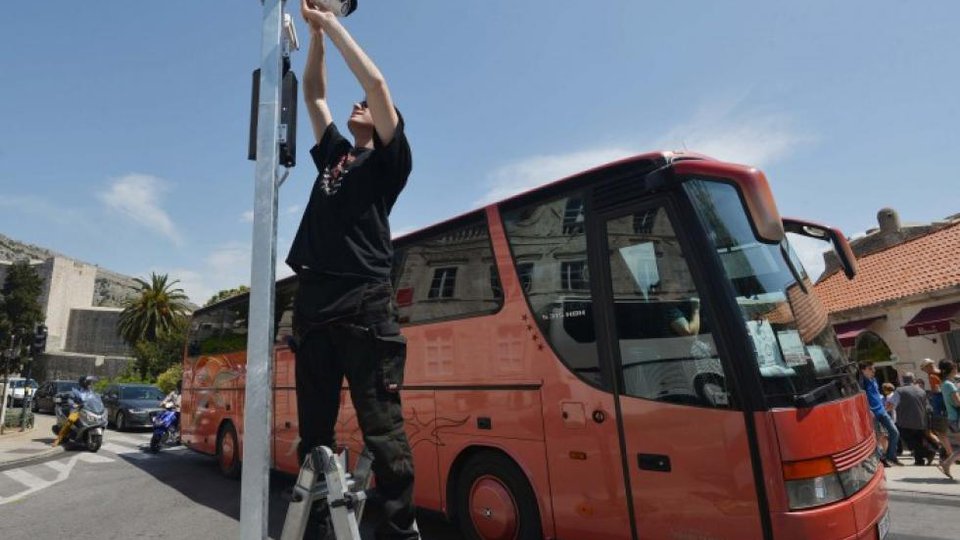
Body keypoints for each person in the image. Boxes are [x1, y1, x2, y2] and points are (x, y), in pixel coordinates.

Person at [289, 2, 417, 538]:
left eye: (368, 106)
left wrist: (333, 23)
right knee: (314, 437)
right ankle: (318, 522)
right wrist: (315, 31)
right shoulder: (337, 156)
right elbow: (314, 94)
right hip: (314, 303)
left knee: (382, 433)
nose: (358, 102)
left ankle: (398, 529)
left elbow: (379, 83)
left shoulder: (388, 162)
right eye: (357, 104)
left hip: (365, 303)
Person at [859, 362, 902, 466]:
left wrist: (883, 405)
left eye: (873, 368)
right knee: (878, 436)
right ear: (863, 370)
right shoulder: (861, 383)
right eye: (870, 368)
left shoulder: (874, 380)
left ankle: (891, 456)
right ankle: (882, 459)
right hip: (872, 413)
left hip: (881, 410)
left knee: (894, 432)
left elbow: (876, 395)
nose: (873, 370)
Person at [894, 373, 934, 465]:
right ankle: (919, 460)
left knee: (910, 440)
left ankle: (928, 452)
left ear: (903, 380)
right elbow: (927, 407)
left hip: (905, 421)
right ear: (913, 380)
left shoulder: (899, 390)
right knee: (918, 440)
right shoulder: (921, 391)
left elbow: (892, 403)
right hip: (921, 421)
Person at [936, 360, 960, 479]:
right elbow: (957, 402)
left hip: (953, 418)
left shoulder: (946, 383)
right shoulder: (949, 384)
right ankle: (946, 464)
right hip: (957, 419)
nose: (957, 369)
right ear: (952, 370)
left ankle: (946, 464)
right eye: (955, 368)